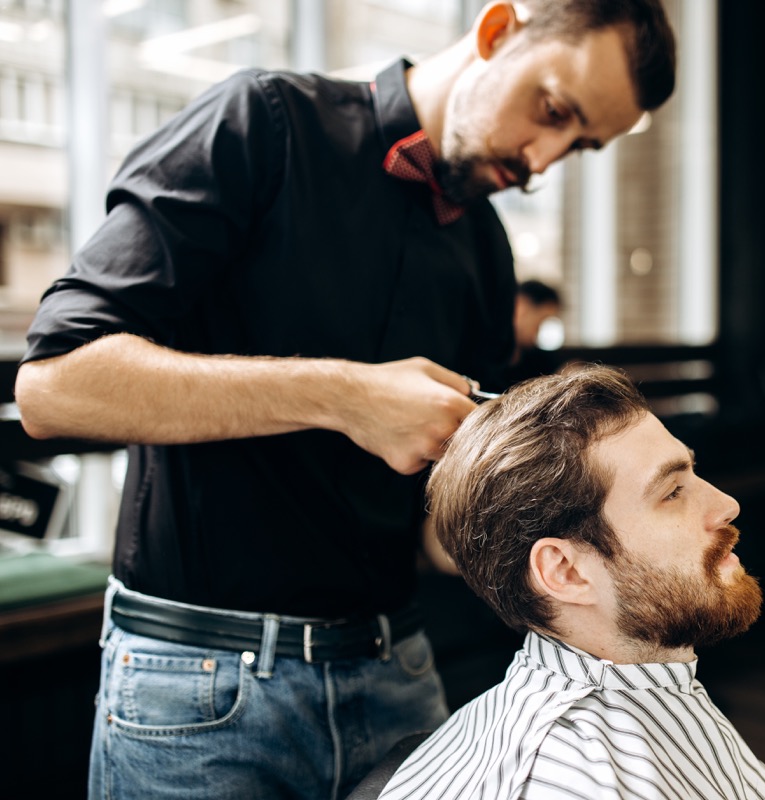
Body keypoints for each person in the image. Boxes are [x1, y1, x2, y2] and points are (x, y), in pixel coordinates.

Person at [13, 2, 676, 797]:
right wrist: (344, 395)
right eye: (553, 111)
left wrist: (586, 557)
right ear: (500, 29)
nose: (542, 160)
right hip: (197, 687)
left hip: (398, 675)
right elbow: (54, 385)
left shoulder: (487, 250)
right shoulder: (263, 124)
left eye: (580, 145)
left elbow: (440, 532)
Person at [380, 365, 765, 800]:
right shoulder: (581, 783)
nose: (727, 504)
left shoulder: (650, 679)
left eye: (693, 473)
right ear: (565, 571)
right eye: (671, 492)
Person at [501, 278, 565, 387]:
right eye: (541, 321)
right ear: (521, 307)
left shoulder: (536, 360)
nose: (539, 331)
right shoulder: (489, 357)